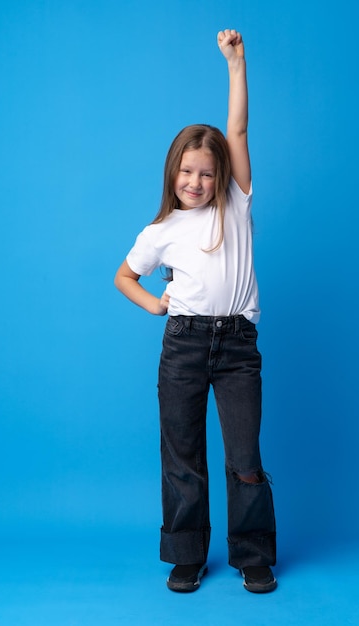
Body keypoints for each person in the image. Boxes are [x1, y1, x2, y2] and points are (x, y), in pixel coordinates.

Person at [114, 29, 277, 594]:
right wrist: (155, 303)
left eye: (207, 173)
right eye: (187, 173)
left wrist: (236, 63)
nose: (196, 182)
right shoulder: (161, 230)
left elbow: (237, 128)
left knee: (244, 454)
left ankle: (252, 553)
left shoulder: (236, 202)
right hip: (183, 344)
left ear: (222, 177)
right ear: (172, 174)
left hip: (236, 346)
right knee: (182, 452)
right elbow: (124, 276)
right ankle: (187, 555)